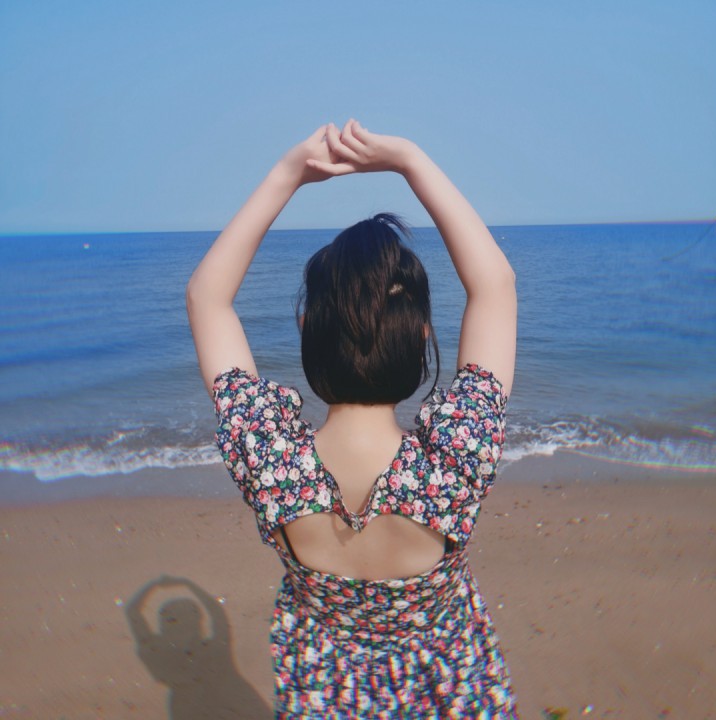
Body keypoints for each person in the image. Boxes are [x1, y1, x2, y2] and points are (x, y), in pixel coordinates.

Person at [187, 120, 518, 718]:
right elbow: (494, 287)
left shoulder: (271, 459)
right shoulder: (456, 456)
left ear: (306, 329)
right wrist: (410, 160)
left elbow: (208, 299)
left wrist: (287, 174)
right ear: (421, 334)